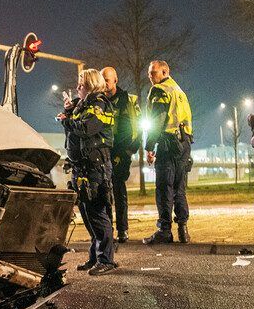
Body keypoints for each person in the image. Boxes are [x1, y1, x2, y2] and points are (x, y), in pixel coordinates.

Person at [58, 69, 118, 275]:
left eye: (81, 84)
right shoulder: (83, 105)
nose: (77, 88)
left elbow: (86, 129)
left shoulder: (99, 104)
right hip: (81, 167)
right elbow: (74, 132)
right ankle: (95, 257)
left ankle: (107, 260)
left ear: (91, 85)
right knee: (87, 214)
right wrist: (69, 112)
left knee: (98, 213)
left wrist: (67, 120)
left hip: (95, 167)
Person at [142, 60, 193, 244]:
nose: (150, 76)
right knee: (179, 187)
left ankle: (164, 230)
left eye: (153, 72)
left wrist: (149, 146)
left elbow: (158, 119)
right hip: (184, 143)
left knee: (164, 187)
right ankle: (183, 229)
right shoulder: (179, 91)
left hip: (168, 143)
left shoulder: (160, 90)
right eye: (149, 72)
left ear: (164, 71)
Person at [102, 66, 141, 243]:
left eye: (107, 80)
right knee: (104, 193)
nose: (104, 84)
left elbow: (131, 129)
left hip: (120, 153)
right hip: (104, 152)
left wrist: (124, 153)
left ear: (115, 80)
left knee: (118, 191)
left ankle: (122, 230)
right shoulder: (100, 101)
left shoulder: (125, 101)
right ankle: (107, 229)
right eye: (102, 80)